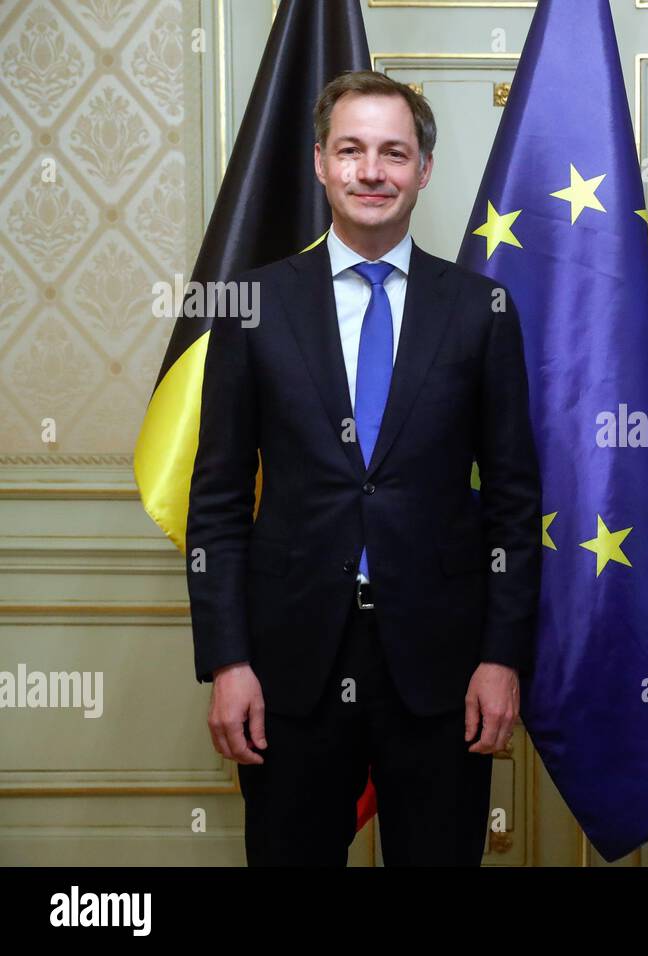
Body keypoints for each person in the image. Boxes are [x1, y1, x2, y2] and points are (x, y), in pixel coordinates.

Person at [186, 70, 541, 866]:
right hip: (290, 664)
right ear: (320, 162)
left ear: (424, 169)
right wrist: (229, 660)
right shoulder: (253, 306)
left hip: (442, 667)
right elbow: (215, 501)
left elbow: (515, 504)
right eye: (351, 150)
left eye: (393, 152)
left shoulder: (481, 312)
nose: (371, 171)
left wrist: (501, 656)